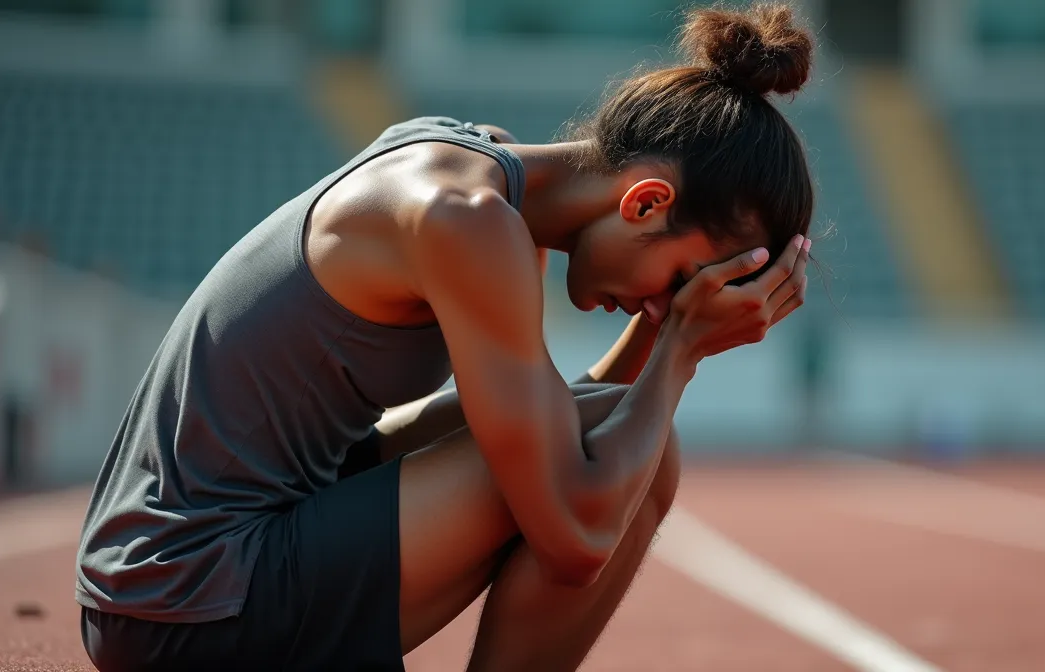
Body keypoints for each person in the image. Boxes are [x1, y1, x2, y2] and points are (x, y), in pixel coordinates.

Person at [75, 3, 817, 670]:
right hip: (181, 604)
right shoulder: (463, 220)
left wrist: (670, 340)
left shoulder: (482, 172)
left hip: (193, 573)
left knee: (619, 438)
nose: (667, 305)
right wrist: (681, 352)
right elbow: (575, 537)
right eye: (682, 280)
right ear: (647, 202)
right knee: (631, 456)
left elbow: (575, 428)